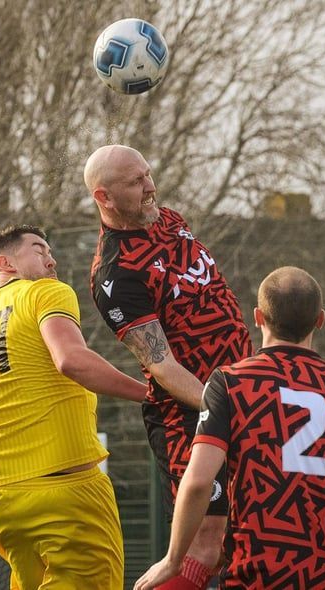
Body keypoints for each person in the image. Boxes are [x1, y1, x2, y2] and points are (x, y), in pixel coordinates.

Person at [134, 267, 325, 590]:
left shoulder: (230, 384)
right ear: (320, 320)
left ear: (257, 317)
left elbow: (198, 482)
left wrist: (173, 559)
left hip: (254, 576)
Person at [85, 144, 254, 589]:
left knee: (240, 538)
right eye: (135, 181)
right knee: (204, 545)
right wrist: (226, 408)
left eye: (147, 174)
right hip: (188, 417)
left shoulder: (168, 219)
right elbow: (162, 367)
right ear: (103, 197)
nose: (150, 186)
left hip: (240, 399)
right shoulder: (116, 274)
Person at [0, 224, 146, 590]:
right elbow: (71, 360)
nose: (51, 260)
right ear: (5, 263)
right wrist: (151, 394)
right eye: (39, 250)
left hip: (5, 500)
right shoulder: (45, 292)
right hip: (68, 490)